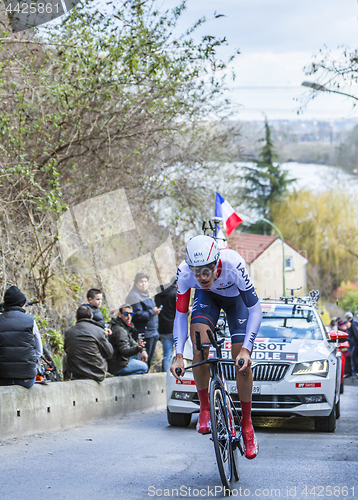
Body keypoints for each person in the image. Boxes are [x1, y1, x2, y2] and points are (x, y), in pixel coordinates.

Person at [170, 235, 262, 460]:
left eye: (206, 272)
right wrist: (179, 355)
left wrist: (246, 350)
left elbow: (256, 310)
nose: (201, 278)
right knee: (199, 343)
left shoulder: (233, 264)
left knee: (240, 361)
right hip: (207, 300)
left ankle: (247, 425)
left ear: (216, 263)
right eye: (196, 272)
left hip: (236, 302)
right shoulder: (184, 273)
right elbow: (180, 315)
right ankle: (205, 408)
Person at [0, 286, 43, 388]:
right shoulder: (30, 321)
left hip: (2, 379)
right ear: (22, 304)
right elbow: (39, 351)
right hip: (26, 379)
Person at [63, 305, 113, 382]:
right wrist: (105, 338)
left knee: (66, 357)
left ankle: (67, 379)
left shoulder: (68, 332)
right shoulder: (99, 331)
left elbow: (66, 349)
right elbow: (109, 353)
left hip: (76, 374)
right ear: (91, 317)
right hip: (96, 374)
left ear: (76, 318)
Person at [126, 272, 161, 369]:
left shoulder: (146, 294)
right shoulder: (134, 296)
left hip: (152, 332)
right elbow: (136, 315)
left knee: (149, 360)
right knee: (143, 360)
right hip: (144, 332)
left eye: (145, 281)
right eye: (141, 282)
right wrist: (152, 312)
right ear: (136, 283)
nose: (144, 284)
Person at [107, 304, 148, 376]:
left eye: (131, 314)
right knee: (144, 367)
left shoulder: (124, 326)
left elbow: (131, 341)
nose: (129, 317)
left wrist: (142, 350)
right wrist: (137, 348)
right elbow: (124, 351)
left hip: (119, 361)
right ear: (120, 315)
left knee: (135, 358)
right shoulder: (120, 330)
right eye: (126, 314)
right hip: (117, 365)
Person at [155, 278, 177, 372]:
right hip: (175, 327)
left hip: (162, 328)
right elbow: (180, 311)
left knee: (167, 354)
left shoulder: (158, 295)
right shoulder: (175, 294)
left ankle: (165, 373)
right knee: (179, 352)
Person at [349, 311, 358, 377]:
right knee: (354, 358)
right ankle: (355, 372)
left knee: (355, 358)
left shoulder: (355, 323)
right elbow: (356, 334)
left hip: (355, 344)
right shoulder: (354, 323)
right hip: (355, 344)